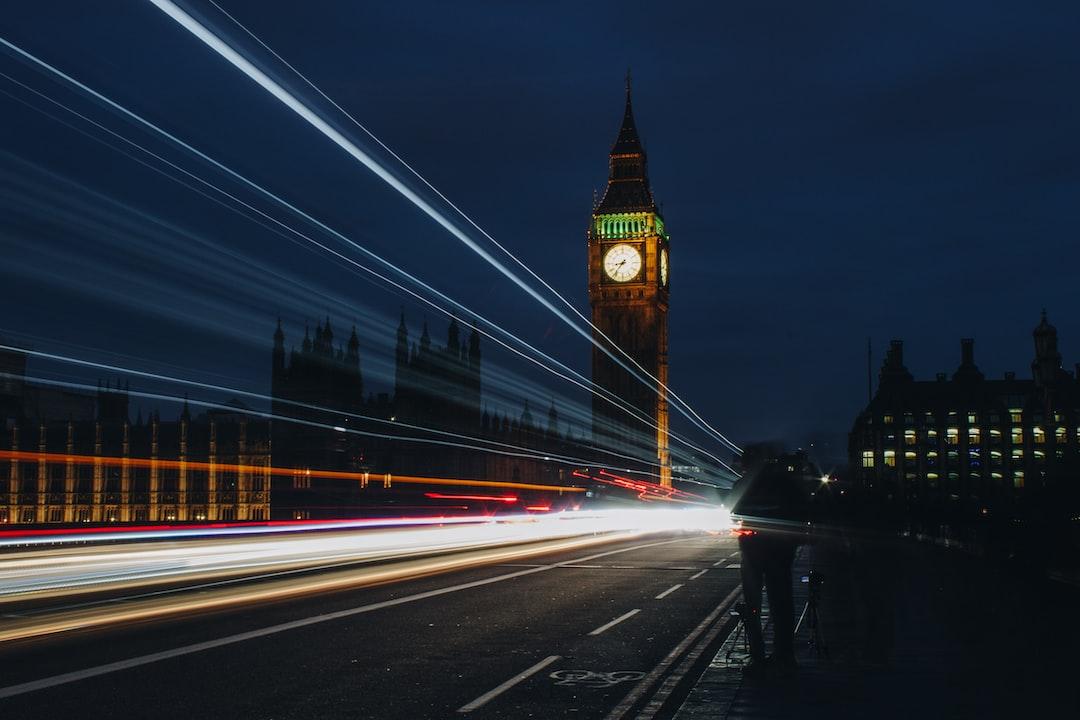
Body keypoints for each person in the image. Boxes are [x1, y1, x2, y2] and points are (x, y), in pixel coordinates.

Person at [730, 454, 811, 675]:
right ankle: (785, 656)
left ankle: (758, 657)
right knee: (782, 604)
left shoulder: (745, 484)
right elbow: (805, 510)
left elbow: (732, 509)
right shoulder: (787, 484)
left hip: (752, 550)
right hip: (782, 550)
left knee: (753, 606)